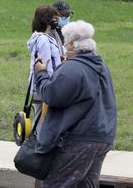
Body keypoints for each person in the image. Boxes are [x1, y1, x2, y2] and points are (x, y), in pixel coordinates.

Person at [33, 20, 116, 187]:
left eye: (65, 42)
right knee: (86, 184)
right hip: (103, 136)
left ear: (71, 44)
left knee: (56, 183)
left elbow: (51, 95)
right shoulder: (101, 66)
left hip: (79, 139)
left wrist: (40, 73)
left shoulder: (73, 68)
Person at [27, 5, 62, 121]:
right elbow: (46, 64)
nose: (56, 22)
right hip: (46, 83)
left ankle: (37, 136)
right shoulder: (43, 40)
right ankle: (38, 137)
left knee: (40, 114)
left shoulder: (41, 38)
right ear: (46, 20)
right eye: (54, 19)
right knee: (43, 117)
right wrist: (52, 84)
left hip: (41, 83)